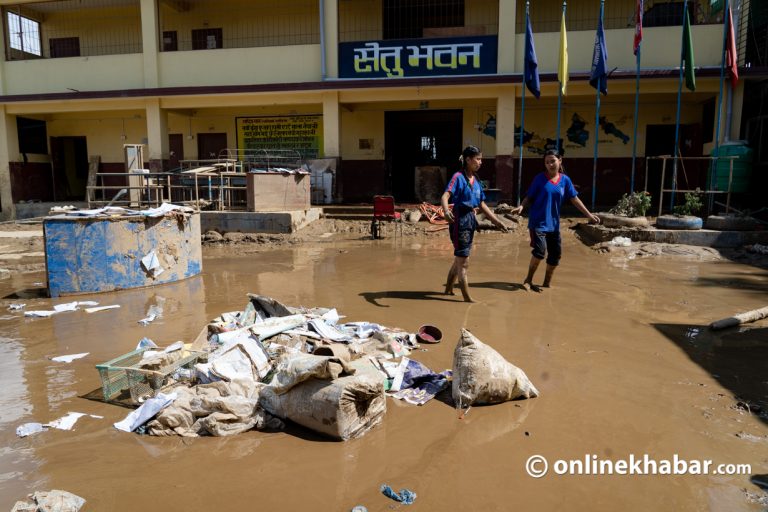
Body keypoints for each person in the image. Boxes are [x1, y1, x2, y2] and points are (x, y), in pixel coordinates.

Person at [511, 149, 600, 291]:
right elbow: (529, 196)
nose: (550, 164)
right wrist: (521, 206)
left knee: (555, 255)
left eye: (552, 161)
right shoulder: (539, 179)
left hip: (554, 224)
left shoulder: (565, 180)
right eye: (547, 162)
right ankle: (528, 280)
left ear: (560, 160)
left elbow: (574, 199)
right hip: (538, 222)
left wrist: (588, 215)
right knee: (540, 252)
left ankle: (546, 283)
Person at [441, 145, 508, 302]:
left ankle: (448, 290)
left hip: (471, 220)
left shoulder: (476, 179)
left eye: (481, 159)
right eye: (477, 159)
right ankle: (467, 299)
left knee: (459, 258)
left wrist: (497, 222)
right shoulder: (458, 177)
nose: (480, 162)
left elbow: (482, 204)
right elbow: (445, 196)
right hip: (459, 220)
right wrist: (445, 211)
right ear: (468, 160)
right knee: (464, 262)